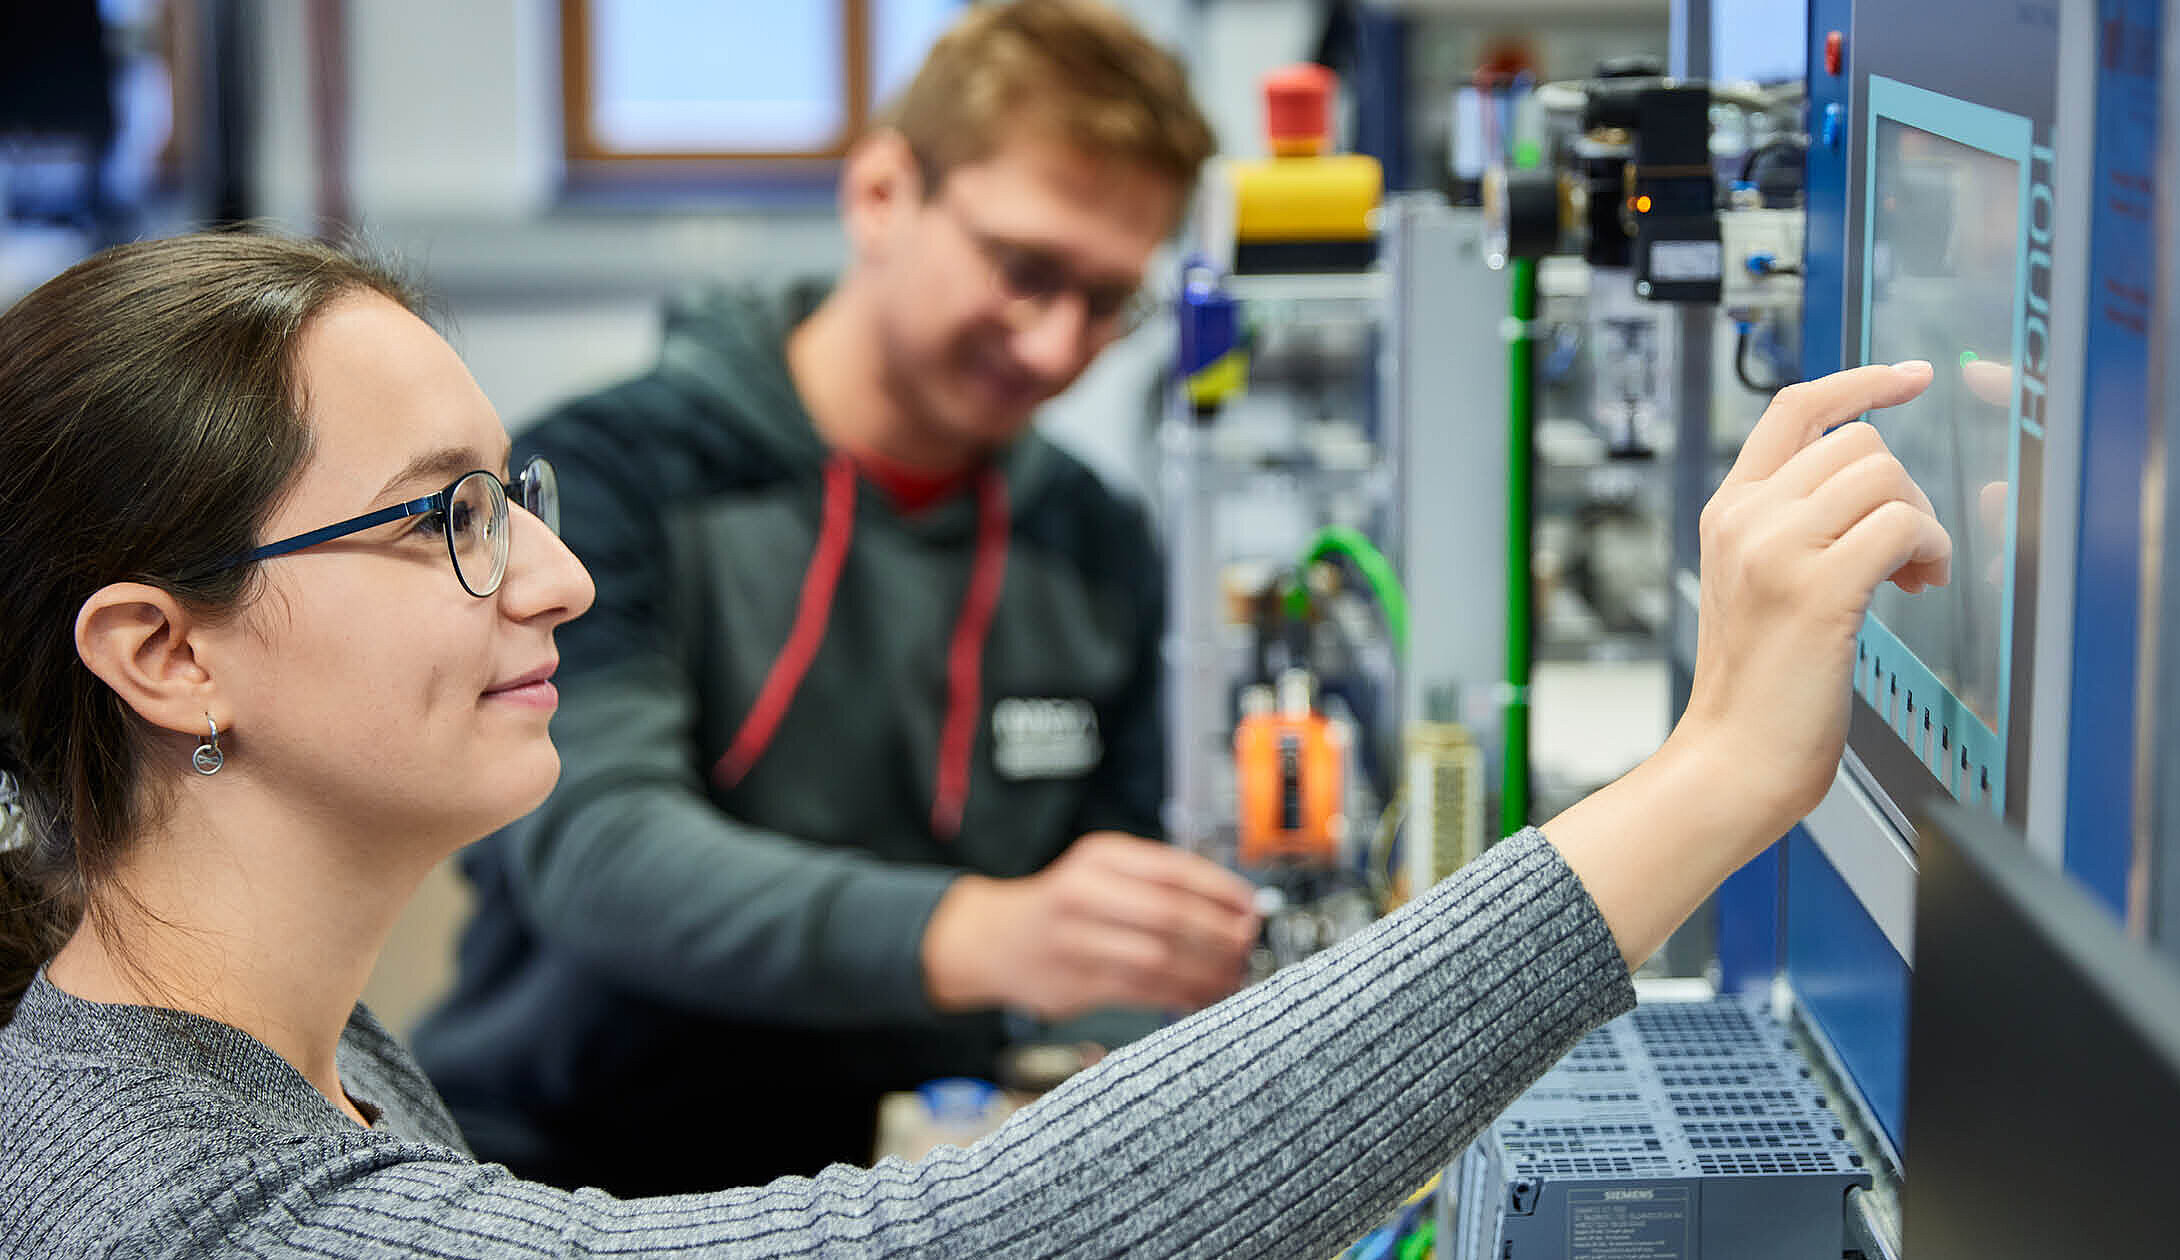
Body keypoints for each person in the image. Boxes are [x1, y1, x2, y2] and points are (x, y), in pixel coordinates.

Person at [0, 230, 1947, 1259]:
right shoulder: (175, 1199)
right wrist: (1709, 779)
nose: (561, 580)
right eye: (448, 520)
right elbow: (955, 1246)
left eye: (514, 491)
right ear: (165, 654)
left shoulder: (294, 1050)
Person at [412, 0, 1261, 1191]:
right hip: (576, 1176)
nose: (1059, 347)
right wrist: (976, 932)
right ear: (878, 194)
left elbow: (1117, 905)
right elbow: (594, 849)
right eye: (1026, 270)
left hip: (927, 1178)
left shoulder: (1093, 540)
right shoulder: (609, 480)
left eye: (1109, 301)